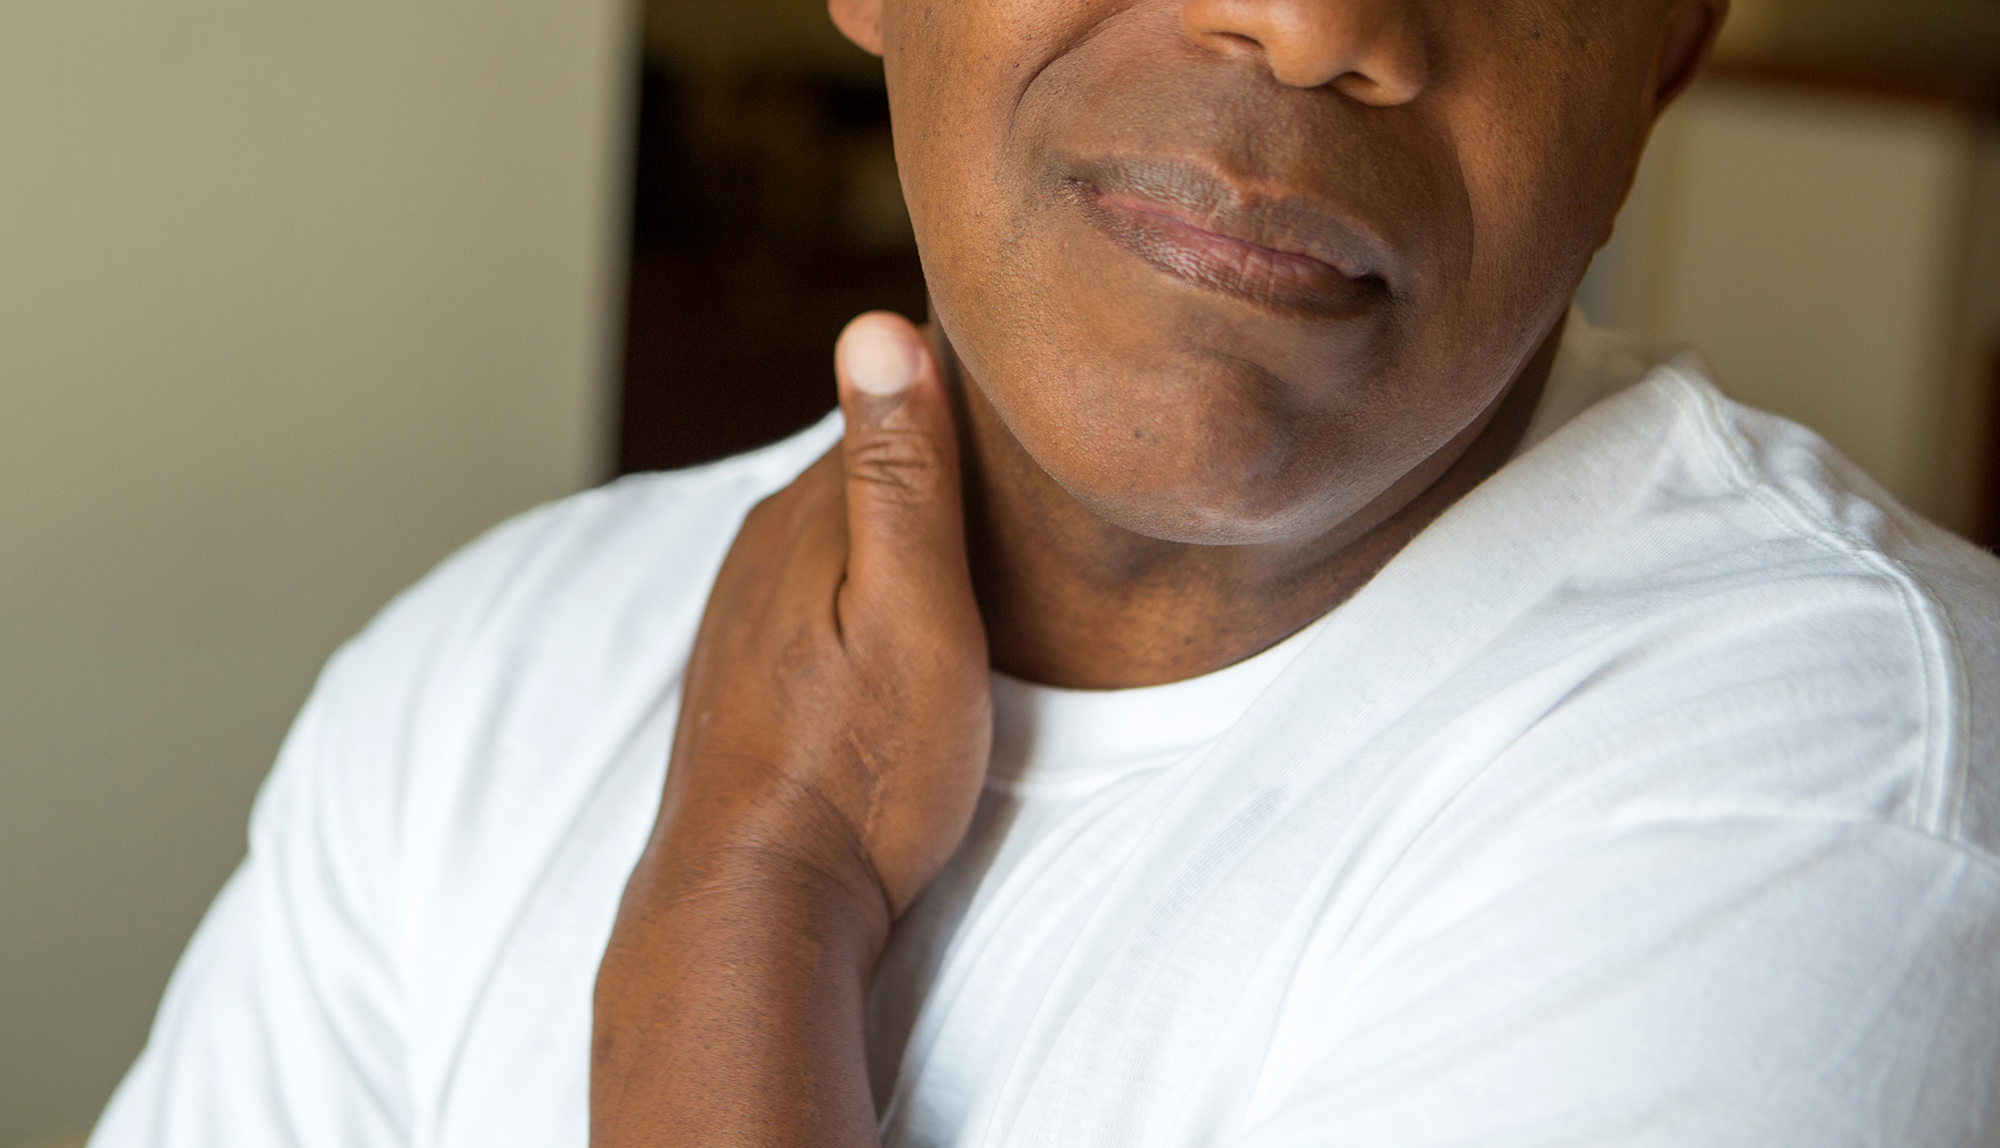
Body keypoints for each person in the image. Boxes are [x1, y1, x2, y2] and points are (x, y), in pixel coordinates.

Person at [93, 0, 2000, 1144]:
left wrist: (749, 901)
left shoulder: (1842, 782)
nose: (1308, 18)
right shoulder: (486, 672)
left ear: (1666, 50)